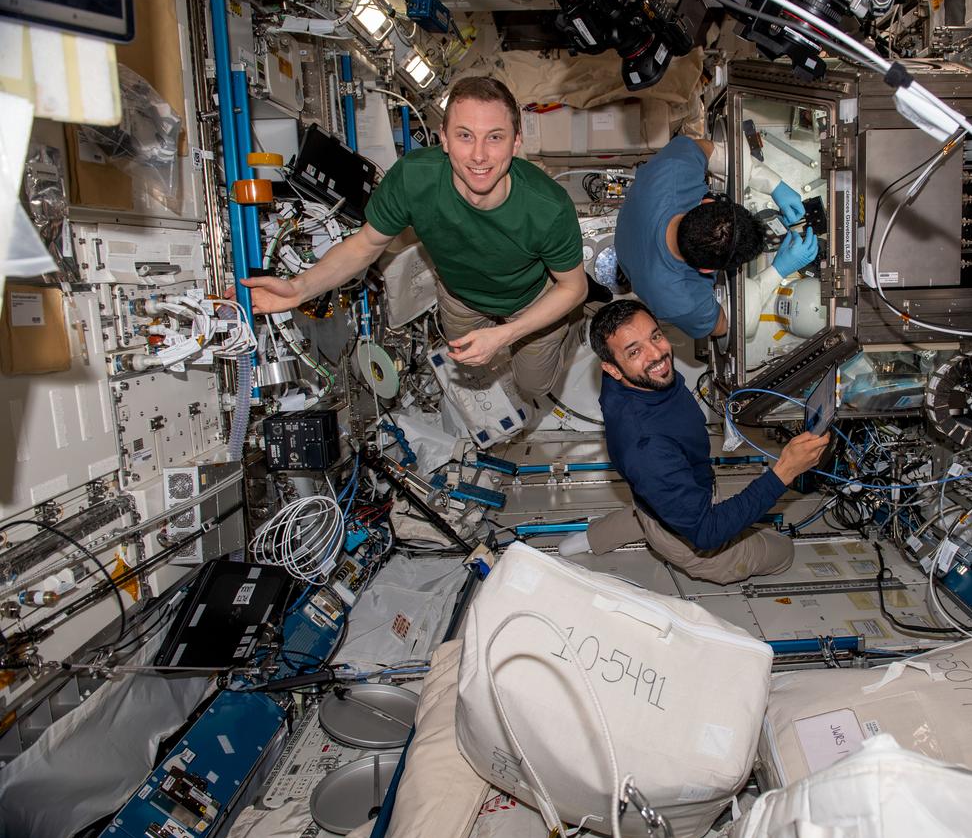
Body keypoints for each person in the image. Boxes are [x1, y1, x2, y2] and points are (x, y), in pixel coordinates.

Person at [239, 77, 587, 401]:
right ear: (444, 138)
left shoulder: (548, 207)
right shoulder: (414, 178)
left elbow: (574, 287)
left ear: (516, 140)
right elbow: (365, 246)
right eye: (465, 136)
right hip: (461, 295)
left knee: (534, 386)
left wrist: (506, 335)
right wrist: (300, 288)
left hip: (529, 299)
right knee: (467, 364)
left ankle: (570, 325)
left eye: (494, 137)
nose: (479, 155)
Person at [559, 299, 831, 584]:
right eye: (635, 351)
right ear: (612, 368)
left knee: (654, 506)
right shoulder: (647, 449)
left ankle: (590, 538)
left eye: (655, 336)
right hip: (692, 544)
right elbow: (706, 532)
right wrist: (785, 470)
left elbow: (662, 485)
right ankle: (653, 536)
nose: (657, 355)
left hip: (653, 501)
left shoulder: (622, 381)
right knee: (783, 551)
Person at [613, 135, 820, 340]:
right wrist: (777, 271)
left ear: (707, 203)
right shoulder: (679, 300)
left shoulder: (674, 171)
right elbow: (722, 325)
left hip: (630, 230)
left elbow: (703, 148)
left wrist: (772, 184)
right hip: (632, 258)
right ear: (706, 270)